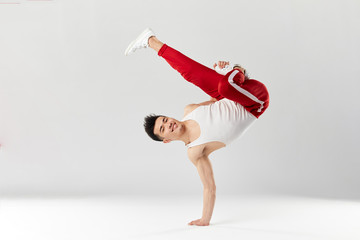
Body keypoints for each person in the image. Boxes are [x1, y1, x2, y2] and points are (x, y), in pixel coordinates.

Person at [125, 28, 269, 226]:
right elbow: (209, 187)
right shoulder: (195, 151)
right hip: (255, 103)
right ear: (166, 139)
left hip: (234, 92)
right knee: (225, 86)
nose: (168, 123)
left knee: (190, 73)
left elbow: (214, 100)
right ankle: (237, 73)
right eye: (163, 128)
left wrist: (217, 74)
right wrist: (205, 219)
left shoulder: (189, 110)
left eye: (165, 119)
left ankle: (151, 40)